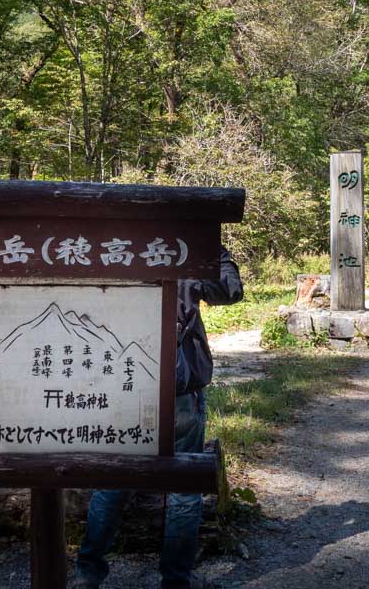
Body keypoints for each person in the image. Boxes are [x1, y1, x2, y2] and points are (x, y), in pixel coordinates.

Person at [73, 247, 243, 589]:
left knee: (114, 480)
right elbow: (230, 290)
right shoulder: (185, 249)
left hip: (122, 380)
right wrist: (217, 254)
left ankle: (88, 574)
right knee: (183, 488)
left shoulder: (113, 248)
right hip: (179, 390)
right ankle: (176, 580)